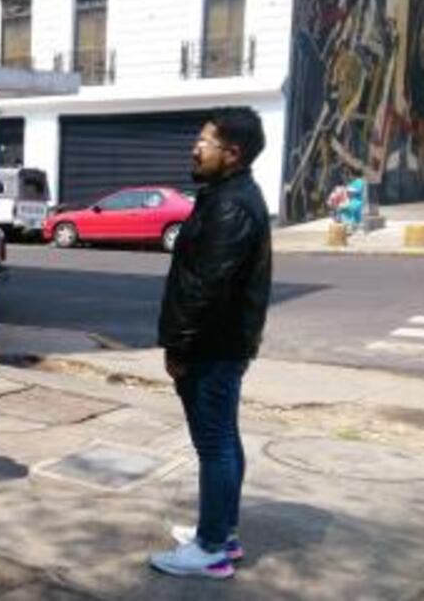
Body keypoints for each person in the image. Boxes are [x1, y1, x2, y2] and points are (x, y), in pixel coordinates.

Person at [151, 107, 272, 580]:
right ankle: (223, 532)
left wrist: (179, 347)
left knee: (215, 445)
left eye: (205, 142)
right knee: (224, 439)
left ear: (233, 153)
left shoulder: (230, 205)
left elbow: (206, 286)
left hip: (211, 348)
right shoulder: (228, 194)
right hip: (223, 344)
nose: (195, 148)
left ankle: (211, 549)